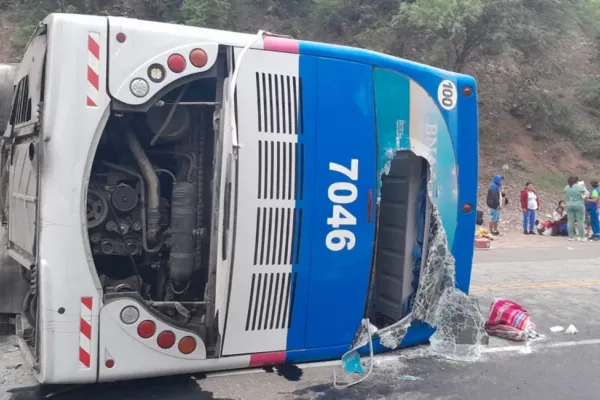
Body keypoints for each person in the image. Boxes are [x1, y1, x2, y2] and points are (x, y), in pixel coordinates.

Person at [564, 176, 587, 241]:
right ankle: (581, 237)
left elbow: (565, 194)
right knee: (580, 221)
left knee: (570, 221)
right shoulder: (580, 187)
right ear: (576, 181)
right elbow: (586, 195)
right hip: (579, 204)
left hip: (569, 204)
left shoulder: (566, 187)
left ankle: (570, 236)